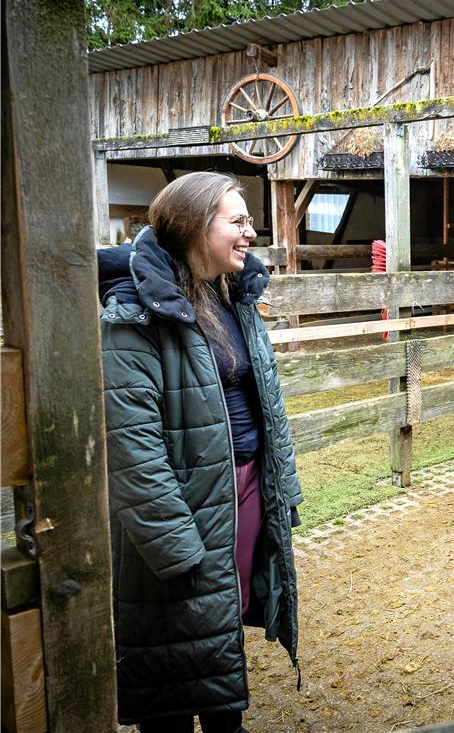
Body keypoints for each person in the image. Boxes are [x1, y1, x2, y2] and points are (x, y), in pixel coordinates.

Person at [98, 171, 303, 732]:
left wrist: (280, 489)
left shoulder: (231, 294)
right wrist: (177, 549)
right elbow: (131, 450)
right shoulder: (133, 311)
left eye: (250, 222)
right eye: (237, 221)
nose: (250, 233)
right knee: (170, 661)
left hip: (241, 494)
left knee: (218, 628)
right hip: (184, 514)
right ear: (193, 227)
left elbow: (265, 399)